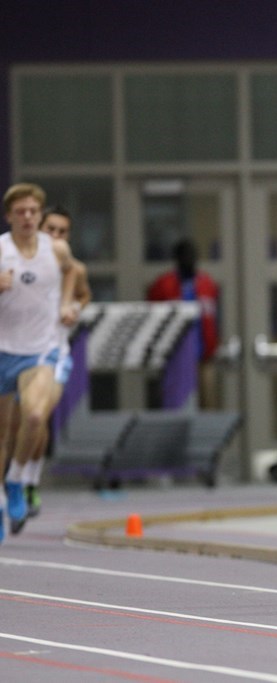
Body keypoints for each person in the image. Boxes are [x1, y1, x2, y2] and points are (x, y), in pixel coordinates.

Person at [0, 184, 78, 542]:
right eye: (21, 212)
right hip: (3, 351)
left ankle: (17, 481)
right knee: (3, 434)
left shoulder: (55, 249)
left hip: (40, 350)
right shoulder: (0, 251)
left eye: (33, 211)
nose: (28, 217)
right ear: (9, 216)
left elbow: (74, 272)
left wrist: (65, 304)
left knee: (34, 416)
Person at [147, 238, 220, 408]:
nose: (190, 260)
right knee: (175, 405)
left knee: (206, 403)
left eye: (192, 256)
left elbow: (214, 317)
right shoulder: (164, 285)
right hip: (174, 357)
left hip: (203, 357)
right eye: (185, 256)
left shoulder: (206, 284)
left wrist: (214, 344)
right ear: (177, 258)